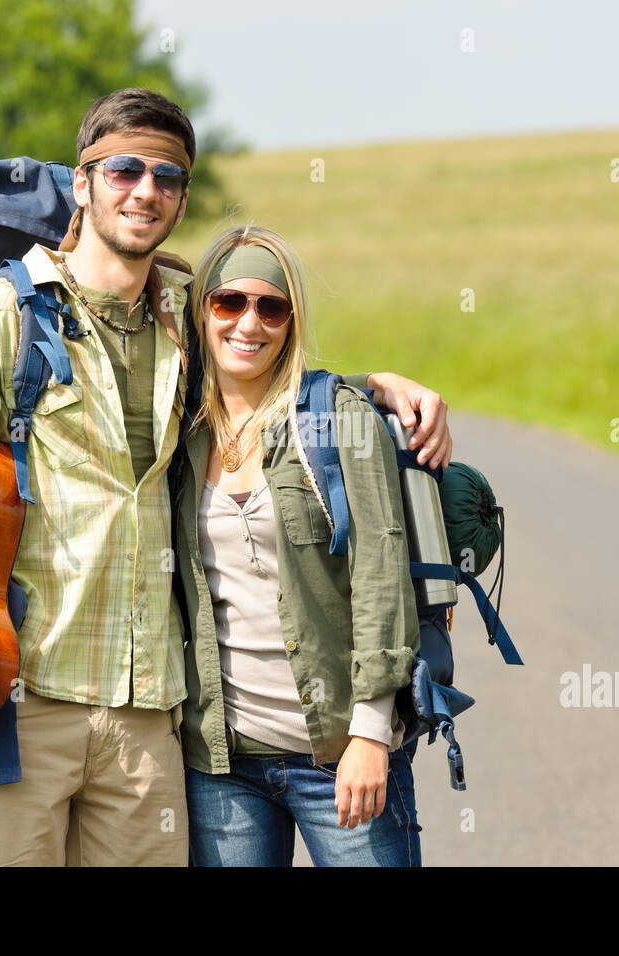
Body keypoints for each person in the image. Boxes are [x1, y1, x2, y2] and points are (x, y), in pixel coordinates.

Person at [0, 88, 453, 866]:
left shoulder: (180, 319)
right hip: (18, 700)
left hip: (149, 721)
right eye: (125, 169)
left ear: (181, 199)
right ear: (84, 182)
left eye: (167, 177)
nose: (145, 190)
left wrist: (369, 389)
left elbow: (262, 364)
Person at [175, 226, 432, 866]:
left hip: (342, 753)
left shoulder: (337, 419)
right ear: (202, 308)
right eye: (229, 302)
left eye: (272, 307)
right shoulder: (177, 427)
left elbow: (381, 575)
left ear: (290, 321)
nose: (249, 324)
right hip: (221, 762)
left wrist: (372, 733)